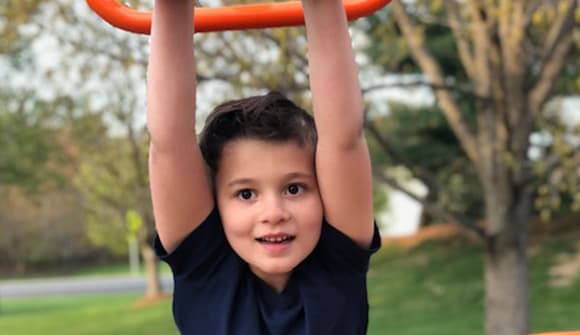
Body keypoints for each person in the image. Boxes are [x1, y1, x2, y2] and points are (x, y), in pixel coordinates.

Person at [147, 0, 381, 334]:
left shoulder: (337, 264)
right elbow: (169, 144)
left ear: (324, 191)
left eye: (294, 188)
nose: (274, 213)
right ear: (214, 202)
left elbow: (343, 138)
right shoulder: (204, 268)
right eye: (245, 194)